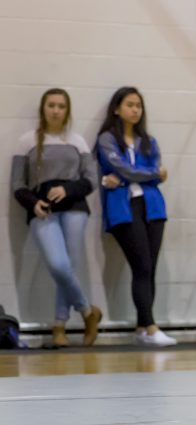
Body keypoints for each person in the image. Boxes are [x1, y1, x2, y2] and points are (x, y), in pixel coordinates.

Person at [10, 88, 102, 347]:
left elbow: (91, 180)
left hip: (74, 208)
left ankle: (59, 327)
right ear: (43, 109)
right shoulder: (26, 141)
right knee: (59, 265)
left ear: (67, 110)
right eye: (51, 105)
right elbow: (18, 184)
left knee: (68, 267)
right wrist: (33, 202)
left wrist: (68, 189)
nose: (56, 110)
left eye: (61, 106)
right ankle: (87, 311)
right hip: (43, 209)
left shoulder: (77, 141)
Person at [95, 86, 175, 347]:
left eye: (138, 105)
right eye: (130, 104)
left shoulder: (149, 141)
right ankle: (151, 327)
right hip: (123, 208)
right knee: (141, 265)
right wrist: (151, 174)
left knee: (149, 267)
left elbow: (139, 171)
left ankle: (143, 327)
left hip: (152, 206)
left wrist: (129, 176)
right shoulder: (106, 139)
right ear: (117, 109)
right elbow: (130, 169)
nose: (135, 109)